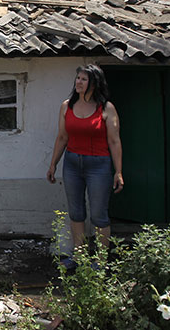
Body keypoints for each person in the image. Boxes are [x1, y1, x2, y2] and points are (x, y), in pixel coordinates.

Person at [47, 64, 123, 265]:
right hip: (72, 163)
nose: (78, 82)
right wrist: (53, 163)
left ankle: (100, 260)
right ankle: (79, 257)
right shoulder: (67, 106)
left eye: (83, 79)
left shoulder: (106, 108)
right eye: (77, 78)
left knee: (99, 214)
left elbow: (114, 141)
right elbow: (62, 137)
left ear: (94, 83)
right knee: (76, 212)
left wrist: (118, 172)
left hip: (98, 165)